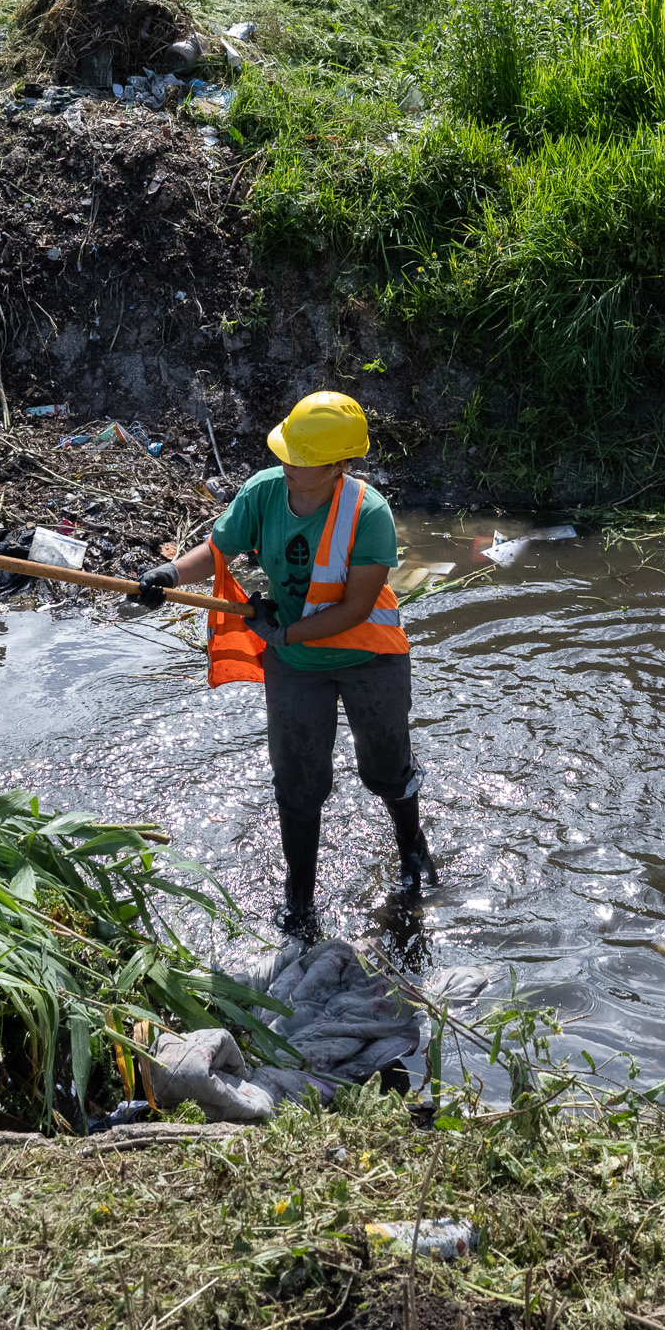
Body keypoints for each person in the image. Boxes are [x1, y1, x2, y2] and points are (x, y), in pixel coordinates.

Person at [139, 390, 434, 939]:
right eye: (287, 455)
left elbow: (356, 607)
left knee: (386, 769)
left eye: (303, 461)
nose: (289, 467)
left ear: (339, 467)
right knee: (297, 783)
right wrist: (171, 576)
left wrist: (285, 630)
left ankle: (413, 853)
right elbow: (218, 550)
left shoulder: (369, 514)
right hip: (297, 662)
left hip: (369, 658)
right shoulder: (264, 493)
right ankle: (300, 896)